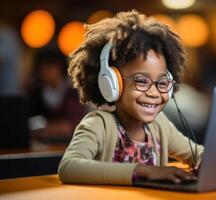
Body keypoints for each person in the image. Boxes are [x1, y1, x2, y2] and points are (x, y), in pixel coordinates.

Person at [58, 10, 204, 185]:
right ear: (112, 84)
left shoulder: (160, 125)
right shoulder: (98, 124)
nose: (154, 93)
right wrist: (143, 171)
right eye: (141, 81)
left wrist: (205, 161)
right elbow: (69, 167)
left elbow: (197, 153)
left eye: (163, 83)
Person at [27, 49, 88, 143]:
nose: (44, 69)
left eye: (49, 65)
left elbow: (72, 126)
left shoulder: (72, 92)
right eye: (41, 65)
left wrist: (42, 126)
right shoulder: (33, 93)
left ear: (60, 67)